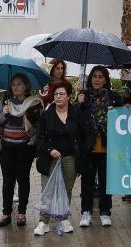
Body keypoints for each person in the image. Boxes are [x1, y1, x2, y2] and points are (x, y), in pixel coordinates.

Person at [34, 81, 92, 236]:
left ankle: (63, 218)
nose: (58, 97)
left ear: (69, 97)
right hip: (50, 158)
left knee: (66, 190)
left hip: (70, 158)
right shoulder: (47, 114)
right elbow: (39, 137)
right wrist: (49, 149)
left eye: (62, 94)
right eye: (56, 94)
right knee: (48, 190)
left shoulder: (77, 113)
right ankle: (43, 222)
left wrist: (82, 152)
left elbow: (88, 134)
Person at [0, 73, 41, 228]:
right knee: (7, 181)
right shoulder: (6, 102)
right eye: (13, 84)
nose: (16, 87)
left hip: (24, 148)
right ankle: (6, 213)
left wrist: (32, 143)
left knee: (23, 179)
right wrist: (4, 114)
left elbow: (40, 127)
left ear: (26, 86)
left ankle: (22, 213)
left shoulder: (33, 104)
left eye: (19, 84)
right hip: (7, 147)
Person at [78, 65, 122, 228]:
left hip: (107, 146)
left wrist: (124, 109)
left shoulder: (114, 97)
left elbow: (122, 119)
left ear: (106, 79)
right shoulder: (83, 97)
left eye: (100, 76)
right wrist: (79, 104)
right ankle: (86, 212)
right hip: (89, 147)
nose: (97, 80)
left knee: (105, 181)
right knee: (87, 181)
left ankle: (105, 211)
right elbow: (78, 120)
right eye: (95, 76)